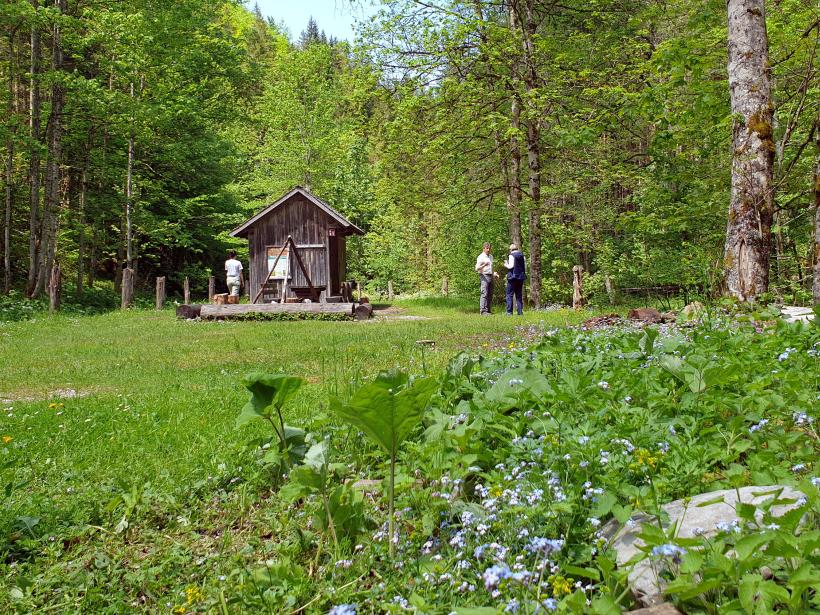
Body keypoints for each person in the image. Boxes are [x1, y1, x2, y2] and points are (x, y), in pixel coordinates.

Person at [474, 242, 499, 314]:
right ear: (484, 248)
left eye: (489, 248)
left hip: (490, 275)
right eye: (487, 248)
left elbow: (491, 267)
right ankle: (483, 311)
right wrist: (484, 265)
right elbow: (477, 269)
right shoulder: (481, 257)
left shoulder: (491, 256)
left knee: (490, 294)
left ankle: (488, 310)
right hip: (484, 276)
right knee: (484, 293)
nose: (488, 250)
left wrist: (494, 273)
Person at [504, 243, 526, 315]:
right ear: (517, 249)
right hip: (521, 277)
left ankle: (509, 312)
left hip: (512, 277)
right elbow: (525, 267)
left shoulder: (511, 255)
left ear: (511, 250)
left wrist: (506, 264)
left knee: (509, 294)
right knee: (519, 295)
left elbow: (510, 266)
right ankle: (520, 312)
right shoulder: (523, 256)